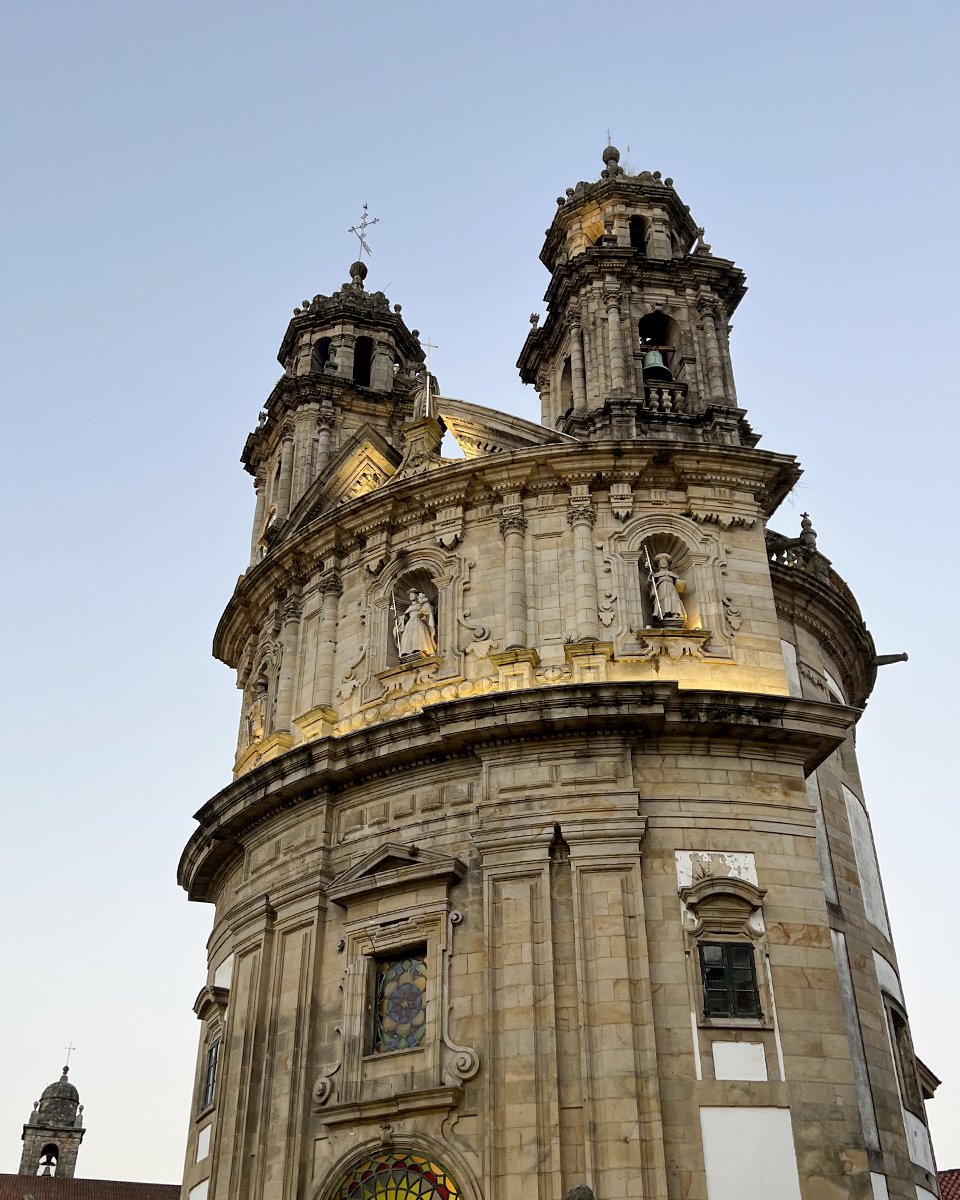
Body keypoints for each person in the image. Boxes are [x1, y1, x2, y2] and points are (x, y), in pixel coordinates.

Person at [650, 553, 686, 627]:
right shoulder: (656, 575)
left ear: (668, 564)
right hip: (661, 588)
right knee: (663, 600)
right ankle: (665, 614)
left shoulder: (672, 574)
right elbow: (650, 583)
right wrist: (650, 577)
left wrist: (681, 584)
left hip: (671, 588)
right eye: (661, 562)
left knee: (674, 599)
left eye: (665, 561)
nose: (663, 563)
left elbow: (678, 583)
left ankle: (675, 614)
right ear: (658, 564)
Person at [397, 590, 437, 657]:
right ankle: (406, 652)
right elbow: (406, 617)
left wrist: (421, 611)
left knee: (418, 635)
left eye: (412, 594)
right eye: (410, 595)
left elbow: (428, 611)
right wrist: (399, 618)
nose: (411, 596)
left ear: (416, 596)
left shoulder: (421, 604)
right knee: (408, 636)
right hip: (409, 623)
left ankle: (419, 649)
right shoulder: (409, 607)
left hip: (418, 621)